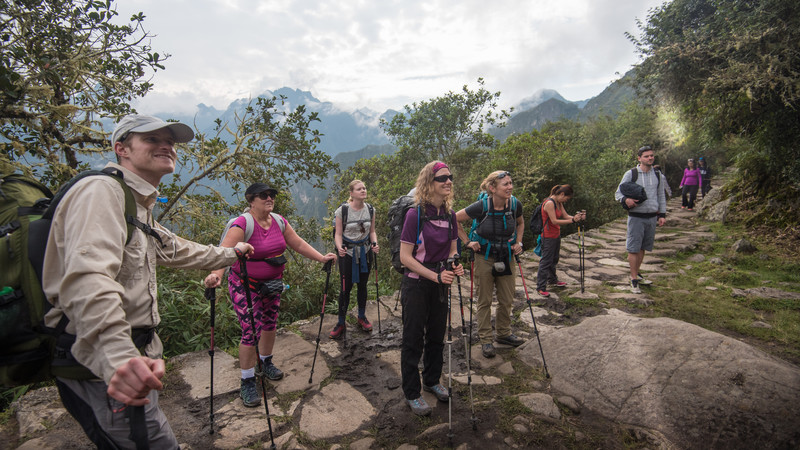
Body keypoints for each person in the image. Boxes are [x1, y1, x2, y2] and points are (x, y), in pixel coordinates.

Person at [42, 114, 255, 448]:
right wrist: (119, 357)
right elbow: (87, 277)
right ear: (121, 149)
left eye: (169, 141)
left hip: (130, 356)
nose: (166, 145)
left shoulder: (136, 205)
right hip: (103, 363)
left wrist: (232, 253)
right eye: (151, 139)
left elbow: (177, 249)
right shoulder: (102, 192)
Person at [205, 183, 335, 407]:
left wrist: (321, 258)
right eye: (263, 195)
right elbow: (224, 254)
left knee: (269, 324)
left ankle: (265, 363)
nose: (269, 198)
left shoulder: (278, 221)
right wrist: (215, 276)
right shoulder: (242, 225)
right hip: (245, 285)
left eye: (272, 194)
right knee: (251, 329)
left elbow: (298, 244)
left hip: (273, 284)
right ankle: (247, 380)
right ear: (251, 200)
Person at [399, 161, 464, 416]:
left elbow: (453, 248)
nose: (448, 181)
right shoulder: (415, 215)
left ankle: (433, 380)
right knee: (413, 338)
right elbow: (406, 257)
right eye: (442, 178)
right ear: (429, 183)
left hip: (440, 281)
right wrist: (435, 276)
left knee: (437, 334)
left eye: (450, 177)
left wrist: (454, 264)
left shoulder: (449, 215)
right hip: (416, 283)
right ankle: (412, 393)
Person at [455, 170, 525, 358]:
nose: (510, 187)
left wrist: (519, 242)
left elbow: (520, 223)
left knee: (507, 298)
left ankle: (503, 333)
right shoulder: (481, 206)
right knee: (484, 300)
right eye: (505, 184)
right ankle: (486, 340)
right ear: (492, 188)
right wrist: (467, 242)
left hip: (507, 255)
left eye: (511, 183)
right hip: (484, 256)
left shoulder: (515, 204)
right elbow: (454, 219)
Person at [329, 179, 379, 339]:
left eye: (364, 188)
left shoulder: (371, 210)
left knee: (362, 286)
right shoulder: (342, 211)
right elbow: (338, 234)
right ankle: (341, 322)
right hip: (347, 254)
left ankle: (362, 316)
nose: (363, 190)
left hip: (365, 252)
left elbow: (372, 231)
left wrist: (374, 243)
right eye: (359, 189)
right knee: (345, 288)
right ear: (351, 193)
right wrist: (339, 248)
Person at [615, 145, 667, 294]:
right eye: (646, 156)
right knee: (633, 248)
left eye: (651, 155)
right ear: (639, 158)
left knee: (643, 248)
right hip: (636, 216)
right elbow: (618, 193)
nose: (650, 158)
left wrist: (662, 214)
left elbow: (661, 195)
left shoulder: (657, 174)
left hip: (651, 216)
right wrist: (626, 200)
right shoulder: (631, 174)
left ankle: (637, 273)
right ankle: (633, 279)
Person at [534, 185, 586, 298]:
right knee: (546, 261)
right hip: (547, 236)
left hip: (556, 235)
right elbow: (554, 221)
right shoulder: (549, 203)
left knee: (554, 259)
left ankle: (552, 280)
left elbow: (566, 216)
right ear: (562, 194)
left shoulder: (559, 203)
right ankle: (540, 287)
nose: (566, 200)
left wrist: (577, 218)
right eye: (566, 198)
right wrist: (572, 220)